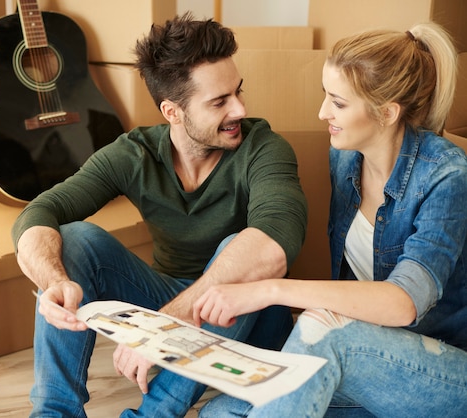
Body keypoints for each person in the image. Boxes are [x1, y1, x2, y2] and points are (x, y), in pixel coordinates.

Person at [11, 12, 308, 418]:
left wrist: (161, 333)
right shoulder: (135, 153)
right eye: (220, 102)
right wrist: (53, 282)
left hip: (252, 324)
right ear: (172, 112)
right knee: (75, 237)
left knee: (237, 248)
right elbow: (40, 211)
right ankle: (53, 412)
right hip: (168, 298)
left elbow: (273, 249)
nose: (240, 108)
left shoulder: (265, 148)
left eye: (238, 92)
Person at [195, 22, 467, 418]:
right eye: (326, 96)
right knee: (221, 413)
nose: (323, 113)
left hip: (441, 373)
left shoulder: (446, 177)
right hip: (368, 356)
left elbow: (403, 303)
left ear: (387, 112)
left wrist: (270, 290)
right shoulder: (345, 157)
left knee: (323, 325)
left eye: (338, 103)